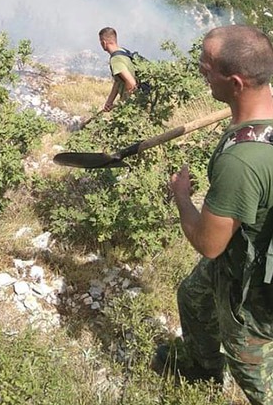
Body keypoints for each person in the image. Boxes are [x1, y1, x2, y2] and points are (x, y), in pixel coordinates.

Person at [159, 25, 273, 400]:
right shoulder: (261, 111)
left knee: (257, 378)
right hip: (237, 253)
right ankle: (202, 368)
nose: (200, 71)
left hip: (251, 285)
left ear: (237, 82)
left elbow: (209, 244)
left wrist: (181, 198)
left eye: (207, 67)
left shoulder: (242, 163)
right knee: (193, 296)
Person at [99, 27, 140, 111]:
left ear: (104, 43)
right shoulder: (123, 52)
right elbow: (118, 81)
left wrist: (122, 103)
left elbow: (132, 83)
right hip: (140, 100)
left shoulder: (116, 59)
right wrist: (109, 102)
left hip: (132, 107)